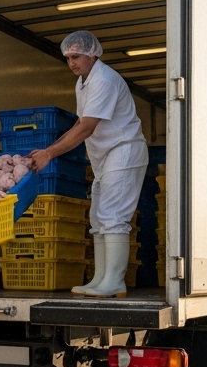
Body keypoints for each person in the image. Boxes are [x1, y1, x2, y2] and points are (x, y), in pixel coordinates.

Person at [30, 30, 149, 297]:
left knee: (113, 215)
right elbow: (80, 123)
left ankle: (114, 281)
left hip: (124, 150)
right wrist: (51, 148)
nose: (71, 62)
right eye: (68, 58)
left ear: (92, 53)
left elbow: (86, 127)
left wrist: (49, 154)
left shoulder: (104, 80)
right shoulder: (83, 82)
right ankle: (100, 279)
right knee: (98, 217)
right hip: (106, 156)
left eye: (76, 56)